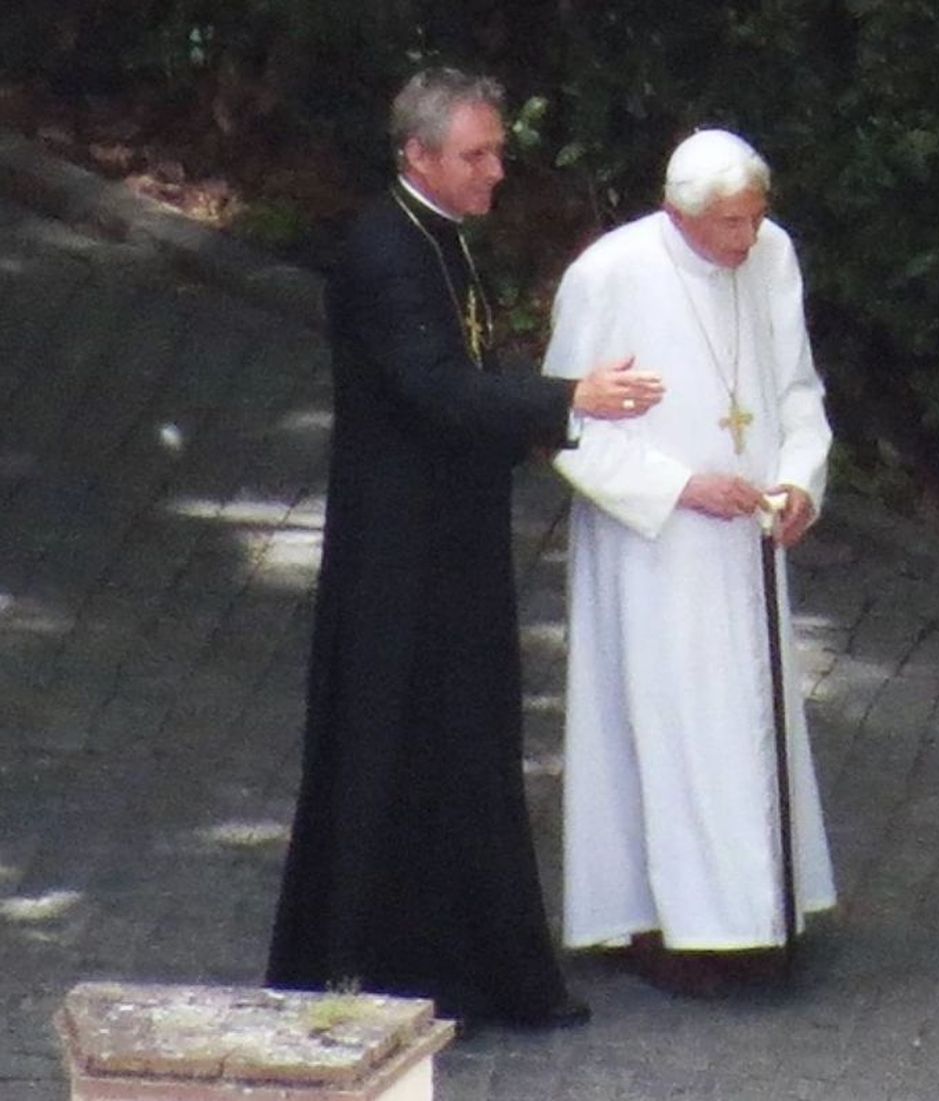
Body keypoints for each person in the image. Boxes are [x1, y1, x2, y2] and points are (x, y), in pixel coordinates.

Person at [266, 67, 663, 1029]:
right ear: (419, 155)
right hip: (400, 556)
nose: (496, 172)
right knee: (395, 748)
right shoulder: (384, 252)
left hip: (454, 540)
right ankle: (366, 968)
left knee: (466, 749)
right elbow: (434, 387)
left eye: (497, 152)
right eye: (476, 154)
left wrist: (542, 410)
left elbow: (465, 375)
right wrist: (566, 399)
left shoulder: (445, 241)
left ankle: (467, 970)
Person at [542, 128, 836, 996]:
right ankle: (665, 921)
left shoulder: (771, 257)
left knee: (746, 719)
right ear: (679, 214)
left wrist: (798, 480)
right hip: (654, 548)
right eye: (728, 226)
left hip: (746, 544)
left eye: (755, 219)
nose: (745, 241)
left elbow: (796, 387)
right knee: (665, 726)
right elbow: (566, 425)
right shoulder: (609, 275)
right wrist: (678, 486)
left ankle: (757, 912)